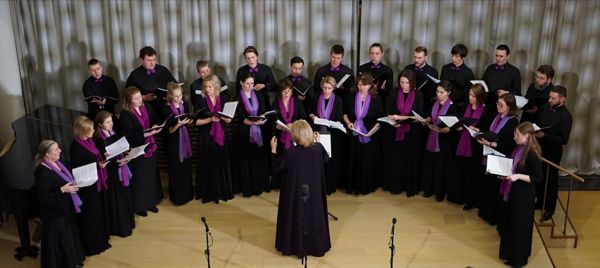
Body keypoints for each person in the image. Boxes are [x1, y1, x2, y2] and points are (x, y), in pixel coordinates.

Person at [271, 120, 331, 257]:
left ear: (295, 136)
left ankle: (293, 245)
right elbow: (326, 160)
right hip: (314, 194)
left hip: (296, 195)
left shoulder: (290, 153)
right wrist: (318, 142)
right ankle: (315, 246)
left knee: (296, 216)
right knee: (314, 217)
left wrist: (273, 150)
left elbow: (276, 167)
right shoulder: (318, 149)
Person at [498, 122, 543, 267]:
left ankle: (518, 260)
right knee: (512, 225)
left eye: (517, 135)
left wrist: (517, 176)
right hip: (516, 192)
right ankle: (510, 254)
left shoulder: (532, 153)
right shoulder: (520, 148)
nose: (514, 137)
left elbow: (538, 178)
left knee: (520, 227)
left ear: (527, 136)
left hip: (524, 195)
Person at [34, 140, 85, 267]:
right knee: (59, 241)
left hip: (65, 208)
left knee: (68, 237)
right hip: (54, 213)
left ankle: (72, 262)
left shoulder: (57, 163)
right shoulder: (42, 172)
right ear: (47, 154)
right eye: (56, 150)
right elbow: (42, 197)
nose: (60, 151)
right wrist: (63, 189)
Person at [69, 116, 111, 256]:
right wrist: (97, 166)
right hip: (86, 188)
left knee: (98, 214)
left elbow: (94, 158)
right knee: (90, 217)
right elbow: (78, 168)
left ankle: (101, 242)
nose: (93, 130)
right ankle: (93, 246)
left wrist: (100, 164)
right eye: (90, 129)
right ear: (82, 131)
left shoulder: (89, 141)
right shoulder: (75, 146)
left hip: (95, 183)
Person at [119, 86, 163, 216]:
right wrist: (147, 134)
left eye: (140, 97)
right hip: (137, 150)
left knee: (151, 177)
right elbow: (129, 136)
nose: (140, 100)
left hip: (150, 146)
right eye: (136, 99)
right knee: (139, 179)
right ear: (129, 100)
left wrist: (155, 126)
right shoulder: (125, 115)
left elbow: (154, 120)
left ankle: (151, 202)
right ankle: (140, 206)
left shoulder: (147, 107)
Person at [477, 94, 519, 225]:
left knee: (496, 188)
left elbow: (509, 144)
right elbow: (490, 132)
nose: (498, 106)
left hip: (501, 158)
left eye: (501, 105)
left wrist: (489, 144)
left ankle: (493, 216)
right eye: (497, 103)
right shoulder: (496, 116)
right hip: (490, 154)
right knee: (487, 185)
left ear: (509, 107)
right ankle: (484, 212)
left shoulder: (512, 121)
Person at [381, 69, 424, 196]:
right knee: (395, 160)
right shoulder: (394, 92)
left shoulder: (418, 94)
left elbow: (418, 116)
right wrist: (392, 119)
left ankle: (408, 186)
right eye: (401, 82)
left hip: (411, 133)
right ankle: (394, 186)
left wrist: (403, 118)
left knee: (408, 160)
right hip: (395, 131)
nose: (404, 85)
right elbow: (388, 111)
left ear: (412, 83)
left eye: (407, 83)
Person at [94, 111, 135, 237]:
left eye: (111, 121)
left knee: (124, 195)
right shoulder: (99, 139)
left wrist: (127, 153)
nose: (111, 124)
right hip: (111, 172)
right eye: (107, 122)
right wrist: (116, 160)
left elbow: (122, 148)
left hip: (120, 166)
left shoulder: (114, 133)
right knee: (116, 199)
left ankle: (128, 222)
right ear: (100, 124)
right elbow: (103, 158)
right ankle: (120, 227)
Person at [194, 74, 235, 203]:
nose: (207, 89)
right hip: (206, 137)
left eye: (210, 86)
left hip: (222, 136)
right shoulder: (200, 102)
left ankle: (223, 192)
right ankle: (209, 194)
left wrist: (223, 117)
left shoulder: (223, 100)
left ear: (216, 87)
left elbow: (228, 120)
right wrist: (210, 119)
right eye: (205, 87)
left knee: (221, 164)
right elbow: (196, 122)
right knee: (208, 165)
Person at [449, 84, 491, 209]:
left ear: (480, 97)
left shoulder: (486, 110)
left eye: (473, 96)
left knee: (470, 174)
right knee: (459, 171)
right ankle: (457, 196)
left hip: (474, 146)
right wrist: (459, 126)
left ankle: (470, 200)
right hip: (462, 142)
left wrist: (477, 129)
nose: (470, 98)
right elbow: (459, 122)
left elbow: (487, 130)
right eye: (469, 95)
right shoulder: (464, 107)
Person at [534, 86, 573, 221]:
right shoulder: (545, 106)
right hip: (539, 148)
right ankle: (539, 202)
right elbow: (539, 122)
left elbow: (564, 140)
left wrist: (544, 135)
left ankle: (549, 209)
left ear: (562, 99)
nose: (549, 100)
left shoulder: (566, 116)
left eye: (553, 98)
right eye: (549, 97)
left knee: (550, 181)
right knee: (539, 176)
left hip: (553, 153)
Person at [343, 73, 383, 195]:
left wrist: (369, 133)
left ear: (370, 85)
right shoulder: (351, 96)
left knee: (366, 161)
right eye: (360, 84)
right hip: (354, 134)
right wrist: (349, 123)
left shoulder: (376, 99)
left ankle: (366, 187)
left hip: (369, 135)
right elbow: (344, 113)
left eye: (365, 85)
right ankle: (353, 187)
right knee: (353, 160)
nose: (362, 87)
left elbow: (380, 120)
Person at [232, 73, 270, 196]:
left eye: (252, 83)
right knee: (246, 160)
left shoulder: (258, 94)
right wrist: (249, 122)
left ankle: (259, 186)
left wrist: (263, 118)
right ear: (241, 83)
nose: (250, 86)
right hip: (244, 133)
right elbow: (239, 117)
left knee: (258, 159)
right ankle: (247, 188)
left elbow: (263, 111)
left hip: (259, 131)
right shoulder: (237, 97)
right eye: (247, 83)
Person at [420, 80, 458, 202]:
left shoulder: (453, 106)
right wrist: (427, 120)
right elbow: (431, 117)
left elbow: (454, 126)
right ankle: (428, 189)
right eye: (437, 91)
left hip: (444, 141)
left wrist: (447, 129)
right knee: (429, 164)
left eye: (442, 92)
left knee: (440, 167)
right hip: (432, 136)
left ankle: (439, 192)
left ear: (448, 93)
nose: (438, 94)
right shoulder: (433, 102)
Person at [309, 76, 345, 194]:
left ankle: (329, 186)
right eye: (324, 87)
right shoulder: (315, 97)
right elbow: (310, 113)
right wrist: (313, 116)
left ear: (333, 88)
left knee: (330, 161)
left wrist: (331, 122)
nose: (326, 90)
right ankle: (318, 186)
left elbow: (339, 118)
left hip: (332, 135)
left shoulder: (338, 100)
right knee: (318, 160)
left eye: (329, 88)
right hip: (318, 133)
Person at [271, 79, 307, 189]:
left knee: (295, 161)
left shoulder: (297, 102)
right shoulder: (275, 103)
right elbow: (273, 121)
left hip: (296, 136)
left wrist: (294, 124)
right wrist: (281, 126)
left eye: (289, 91)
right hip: (281, 137)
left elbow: (303, 118)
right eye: (284, 91)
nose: (286, 94)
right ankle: (281, 183)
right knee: (282, 159)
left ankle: (294, 182)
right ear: (279, 92)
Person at [162, 82, 194, 205]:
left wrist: (189, 121)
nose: (179, 98)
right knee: (176, 168)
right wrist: (178, 125)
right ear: (170, 96)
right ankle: (177, 197)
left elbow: (187, 119)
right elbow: (169, 131)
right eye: (176, 96)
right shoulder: (165, 109)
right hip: (174, 141)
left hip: (185, 138)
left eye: (180, 95)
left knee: (186, 167)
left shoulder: (184, 104)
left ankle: (188, 194)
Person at [126, 46, 177, 121]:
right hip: (147, 109)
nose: (152, 63)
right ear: (141, 60)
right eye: (149, 60)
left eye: (154, 59)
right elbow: (128, 95)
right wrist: (144, 97)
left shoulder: (163, 70)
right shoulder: (134, 75)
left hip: (166, 107)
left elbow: (174, 85)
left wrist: (169, 94)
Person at [357, 43, 394, 110]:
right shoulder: (361, 69)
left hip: (381, 103)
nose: (374, 56)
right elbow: (358, 88)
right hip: (363, 102)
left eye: (377, 53)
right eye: (372, 53)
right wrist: (379, 87)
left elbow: (388, 91)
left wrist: (370, 87)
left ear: (382, 54)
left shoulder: (388, 71)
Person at [404, 46, 439, 113]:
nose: (416, 60)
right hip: (408, 102)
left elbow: (433, 93)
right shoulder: (408, 68)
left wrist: (418, 94)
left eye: (419, 58)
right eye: (415, 57)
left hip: (424, 105)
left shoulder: (433, 72)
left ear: (426, 57)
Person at [440, 44, 476, 108]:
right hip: (443, 101)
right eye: (453, 55)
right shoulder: (445, 68)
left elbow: (468, 93)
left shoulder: (468, 72)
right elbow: (441, 85)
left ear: (463, 57)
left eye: (456, 56)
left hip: (458, 105)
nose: (453, 58)